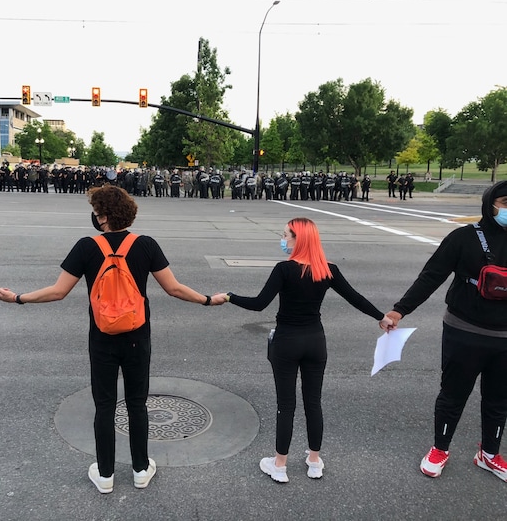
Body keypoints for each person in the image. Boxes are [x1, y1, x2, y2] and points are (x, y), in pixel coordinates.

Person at [0, 185, 218, 494]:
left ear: (101, 217)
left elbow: (57, 291)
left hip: (101, 337)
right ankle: (141, 469)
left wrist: (18, 298)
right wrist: (208, 300)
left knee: (104, 405)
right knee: (137, 402)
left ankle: (105, 475)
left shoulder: (86, 247)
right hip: (137, 336)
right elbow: (175, 288)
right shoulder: (145, 244)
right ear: (127, 213)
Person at [214, 218, 393, 483]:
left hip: (287, 341)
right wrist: (381, 317)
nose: (282, 238)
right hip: (315, 341)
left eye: (286, 234)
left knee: (286, 404)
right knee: (313, 402)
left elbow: (259, 304)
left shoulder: (284, 270)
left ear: (300, 239)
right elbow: (355, 297)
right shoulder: (327, 269)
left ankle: (280, 464)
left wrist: (229, 296)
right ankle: (314, 460)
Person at [384, 181, 507, 482]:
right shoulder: (463, 238)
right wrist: (399, 310)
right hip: (464, 330)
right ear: (490, 203)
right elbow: (431, 276)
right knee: (453, 395)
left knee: (499, 399)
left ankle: (489, 454)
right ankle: (440, 448)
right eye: (505, 202)